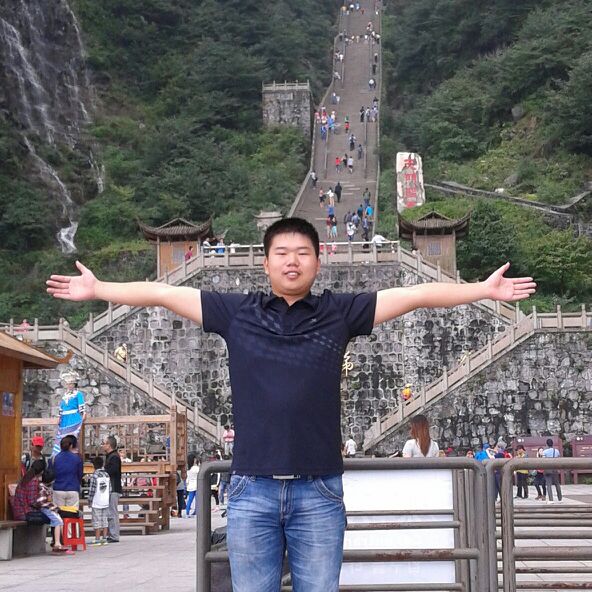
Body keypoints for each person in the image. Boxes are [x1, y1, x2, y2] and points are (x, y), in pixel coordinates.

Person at [46, 217, 535, 591]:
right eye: (281, 253)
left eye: (303, 253)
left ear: (318, 262)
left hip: (319, 491)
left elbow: (416, 295)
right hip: (251, 489)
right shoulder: (236, 313)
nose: (292, 261)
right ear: (266, 263)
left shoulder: (340, 313)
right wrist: (98, 289)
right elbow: (162, 293)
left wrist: (482, 290)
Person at [52, 371, 86, 456]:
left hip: (73, 416)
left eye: (71, 383)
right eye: (68, 384)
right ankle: (61, 453)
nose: (69, 385)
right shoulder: (65, 395)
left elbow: (81, 404)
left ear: (74, 384)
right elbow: (61, 406)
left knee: (72, 436)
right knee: (62, 436)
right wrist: (59, 417)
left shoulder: (78, 394)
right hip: (64, 418)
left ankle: (72, 452)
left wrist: (83, 413)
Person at [52, 434, 83, 508]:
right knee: (72, 513)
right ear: (71, 446)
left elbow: (52, 473)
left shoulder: (54, 458)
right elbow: (80, 474)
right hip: (73, 488)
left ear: (60, 446)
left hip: (58, 488)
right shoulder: (77, 458)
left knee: (58, 513)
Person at [103, 435, 122, 542]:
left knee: (112, 512)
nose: (102, 445)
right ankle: (111, 533)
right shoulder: (110, 456)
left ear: (109, 445)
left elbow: (113, 470)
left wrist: (103, 471)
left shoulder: (114, 457)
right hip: (110, 487)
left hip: (113, 487)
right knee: (110, 512)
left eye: (104, 443)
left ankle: (114, 535)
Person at [88, 456, 111, 546]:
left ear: (94, 465)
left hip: (96, 500)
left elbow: (92, 490)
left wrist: (90, 500)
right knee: (105, 520)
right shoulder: (107, 475)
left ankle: (97, 538)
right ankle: (104, 538)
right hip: (105, 500)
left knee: (96, 520)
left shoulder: (94, 475)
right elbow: (110, 489)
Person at [542, 438, 562, 503]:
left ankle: (551, 499)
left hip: (548, 469)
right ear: (552, 444)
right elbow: (558, 459)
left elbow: (543, 461)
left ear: (547, 444)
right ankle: (560, 498)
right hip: (555, 469)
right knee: (557, 484)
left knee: (548, 485)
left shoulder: (545, 452)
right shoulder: (556, 451)